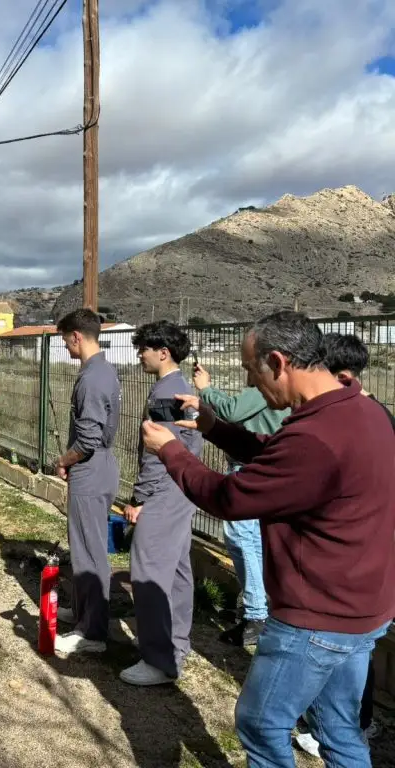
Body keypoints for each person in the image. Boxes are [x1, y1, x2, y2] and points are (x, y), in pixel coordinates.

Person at [141, 311, 395, 768]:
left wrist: (171, 452)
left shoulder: (315, 437)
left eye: (250, 370)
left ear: (278, 362)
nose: (249, 382)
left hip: (317, 617)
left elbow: (228, 497)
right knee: (339, 729)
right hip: (363, 609)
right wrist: (214, 427)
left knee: (261, 724)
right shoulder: (362, 412)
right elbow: (282, 458)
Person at [292, 332, 393, 757]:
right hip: (368, 565)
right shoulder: (374, 415)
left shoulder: (361, 419)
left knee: (353, 655)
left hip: (355, 570)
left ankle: (357, 725)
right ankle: (345, 726)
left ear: (343, 376)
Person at [120, 321, 203, 686]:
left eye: (144, 349)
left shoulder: (165, 394)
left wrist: (140, 497)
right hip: (183, 486)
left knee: (149, 572)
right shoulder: (181, 388)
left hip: (164, 490)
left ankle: (159, 660)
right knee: (179, 570)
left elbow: (158, 452)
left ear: (163, 353)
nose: (140, 355)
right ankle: (177, 644)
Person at [194, 362, 288, 647]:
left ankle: (256, 613)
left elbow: (232, 410)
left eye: (249, 364)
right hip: (259, 467)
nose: (246, 370)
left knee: (241, 538)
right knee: (253, 541)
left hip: (249, 469)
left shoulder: (262, 390)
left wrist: (206, 389)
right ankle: (259, 608)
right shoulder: (270, 393)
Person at [52, 309, 120, 655]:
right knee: (83, 546)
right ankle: (82, 611)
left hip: (90, 470)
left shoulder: (92, 378)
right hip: (99, 467)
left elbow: (89, 439)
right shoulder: (104, 370)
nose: (66, 347)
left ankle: (91, 631)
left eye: (66, 341)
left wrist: (63, 460)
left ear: (77, 336)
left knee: (89, 552)